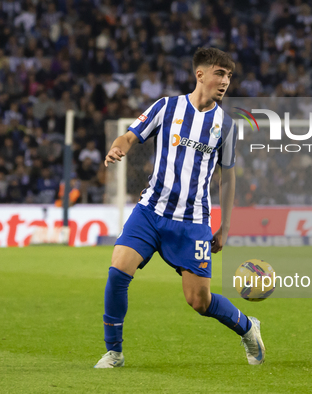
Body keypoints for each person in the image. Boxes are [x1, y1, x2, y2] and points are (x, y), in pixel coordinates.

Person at [94, 48, 265, 368]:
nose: (225, 80)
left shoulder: (226, 126)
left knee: (199, 301)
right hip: (150, 211)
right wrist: (118, 147)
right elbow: (131, 135)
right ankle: (114, 352)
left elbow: (227, 180)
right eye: (219, 73)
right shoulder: (167, 107)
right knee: (118, 271)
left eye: (229, 76)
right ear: (200, 75)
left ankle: (247, 326)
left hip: (192, 222)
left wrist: (225, 227)